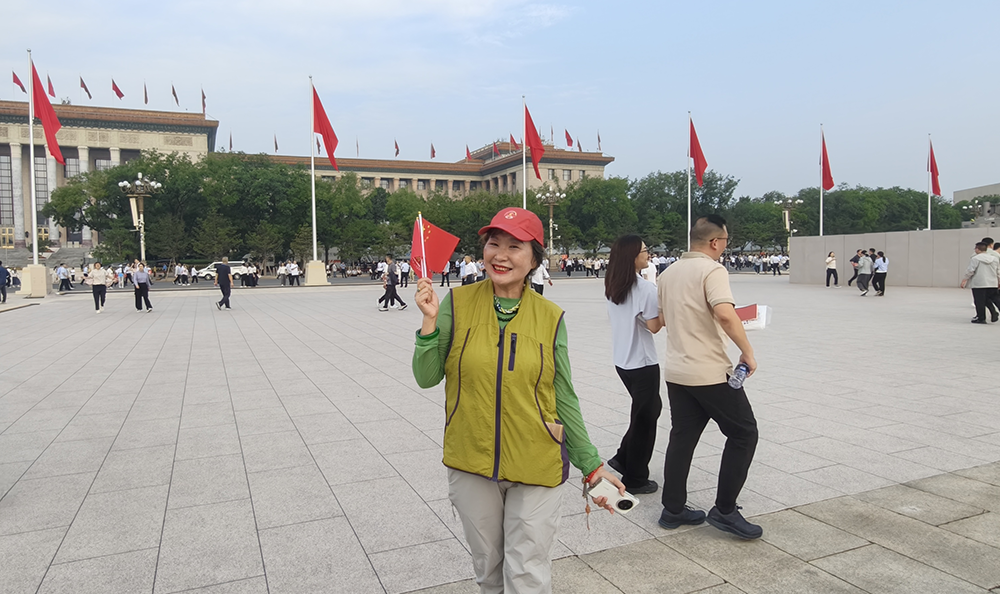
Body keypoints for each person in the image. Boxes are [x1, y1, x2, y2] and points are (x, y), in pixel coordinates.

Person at [412, 207, 625, 592]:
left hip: (537, 461)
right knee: (489, 570)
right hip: (471, 460)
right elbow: (426, 377)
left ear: (534, 260)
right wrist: (429, 322)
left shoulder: (550, 316)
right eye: (494, 244)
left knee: (527, 572)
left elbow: (563, 394)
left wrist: (591, 464)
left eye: (514, 247)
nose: (500, 255)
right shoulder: (456, 304)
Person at [657, 214, 761, 540]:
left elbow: (663, 318)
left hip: (677, 370)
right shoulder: (713, 270)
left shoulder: (668, 273)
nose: (725, 247)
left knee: (682, 437)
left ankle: (673, 508)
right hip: (709, 371)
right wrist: (747, 351)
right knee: (744, 433)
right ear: (715, 242)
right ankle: (725, 510)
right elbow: (725, 314)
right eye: (726, 241)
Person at [604, 235, 663, 495]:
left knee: (647, 411)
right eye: (644, 250)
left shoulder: (613, 284)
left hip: (623, 360)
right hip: (642, 362)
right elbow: (654, 326)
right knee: (645, 419)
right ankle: (636, 477)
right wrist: (668, 310)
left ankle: (623, 456)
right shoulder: (645, 289)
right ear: (632, 257)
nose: (648, 254)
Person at [961, 242, 999, 324]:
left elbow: (971, 270)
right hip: (992, 283)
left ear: (977, 249)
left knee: (979, 301)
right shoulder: (994, 259)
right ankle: (993, 312)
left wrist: (965, 279)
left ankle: (981, 318)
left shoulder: (975, 259)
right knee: (995, 299)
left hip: (979, 283)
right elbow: (998, 271)